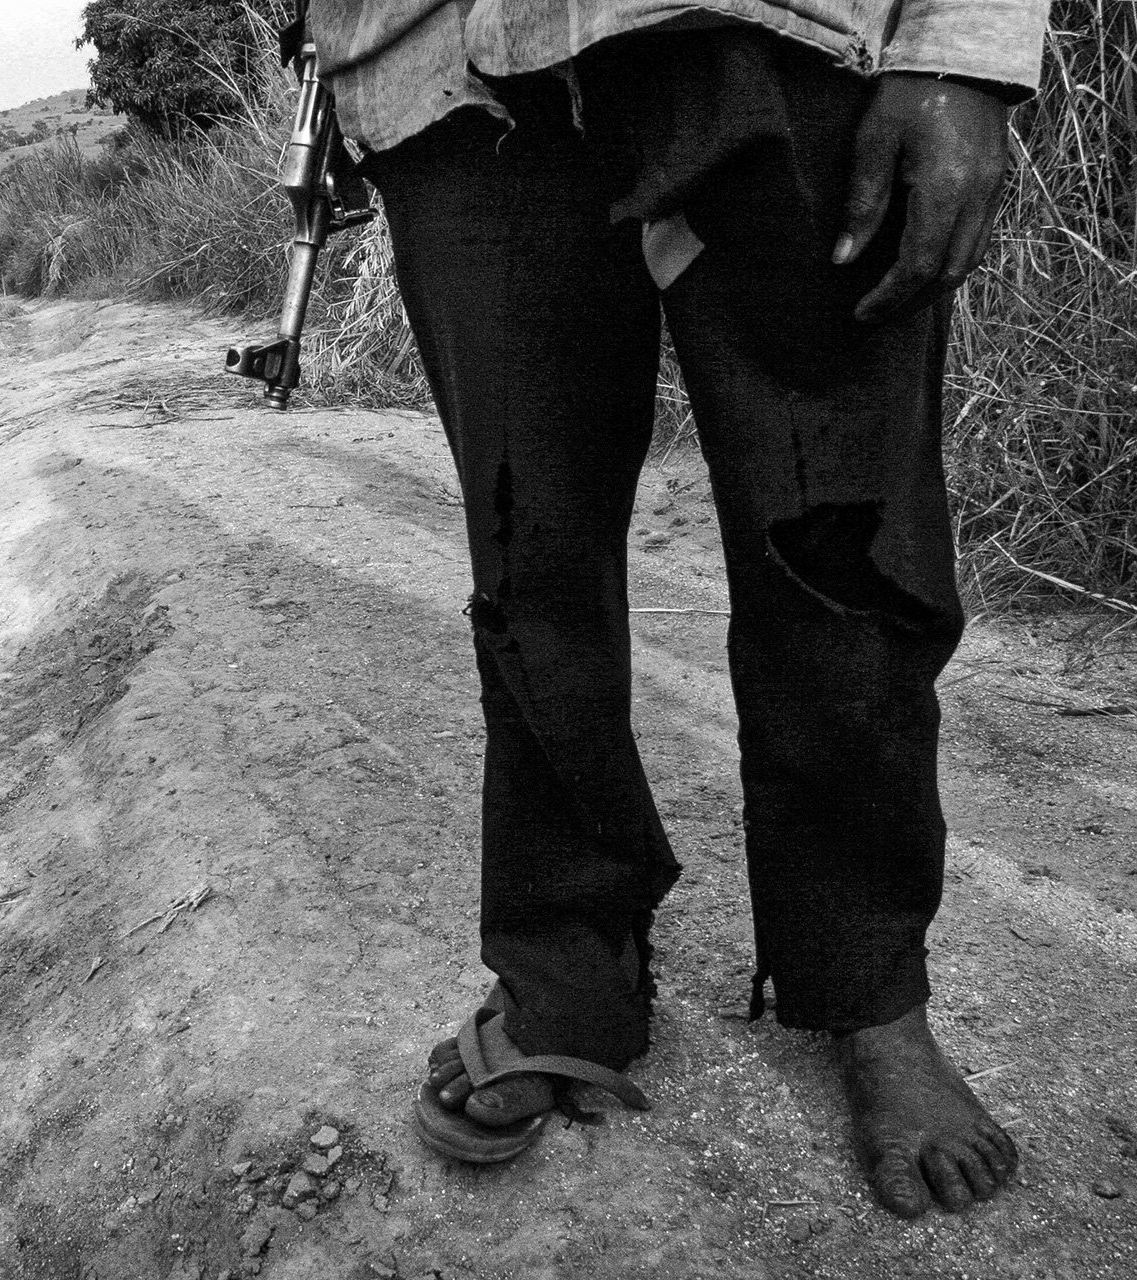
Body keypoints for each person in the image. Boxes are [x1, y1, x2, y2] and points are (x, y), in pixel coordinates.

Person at [304, 0, 1051, 1218]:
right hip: (443, 68)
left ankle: (869, 983)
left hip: (786, 32)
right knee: (526, 553)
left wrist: (966, 49)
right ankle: (567, 970)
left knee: (842, 543)